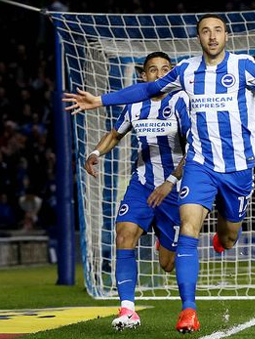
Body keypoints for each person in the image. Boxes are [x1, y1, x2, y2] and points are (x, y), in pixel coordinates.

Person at [63, 14, 255, 333]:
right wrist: (100, 100)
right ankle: (188, 311)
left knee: (229, 235)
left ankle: (221, 241)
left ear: (226, 35)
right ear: (198, 38)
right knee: (188, 229)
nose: (212, 36)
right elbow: (148, 89)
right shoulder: (186, 71)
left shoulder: (243, 67)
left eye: (218, 30)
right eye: (205, 31)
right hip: (200, 166)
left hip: (237, 170)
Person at [83, 52, 189, 330]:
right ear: (144, 76)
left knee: (167, 264)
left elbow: (194, 149)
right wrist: (96, 152)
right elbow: (116, 133)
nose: (159, 74)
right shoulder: (135, 104)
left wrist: (172, 181)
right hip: (141, 184)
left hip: (174, 189)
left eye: (165, 69)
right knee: (124, 234)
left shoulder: (180, 101)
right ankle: (128, 309)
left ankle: (162, 240)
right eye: (152, 70)